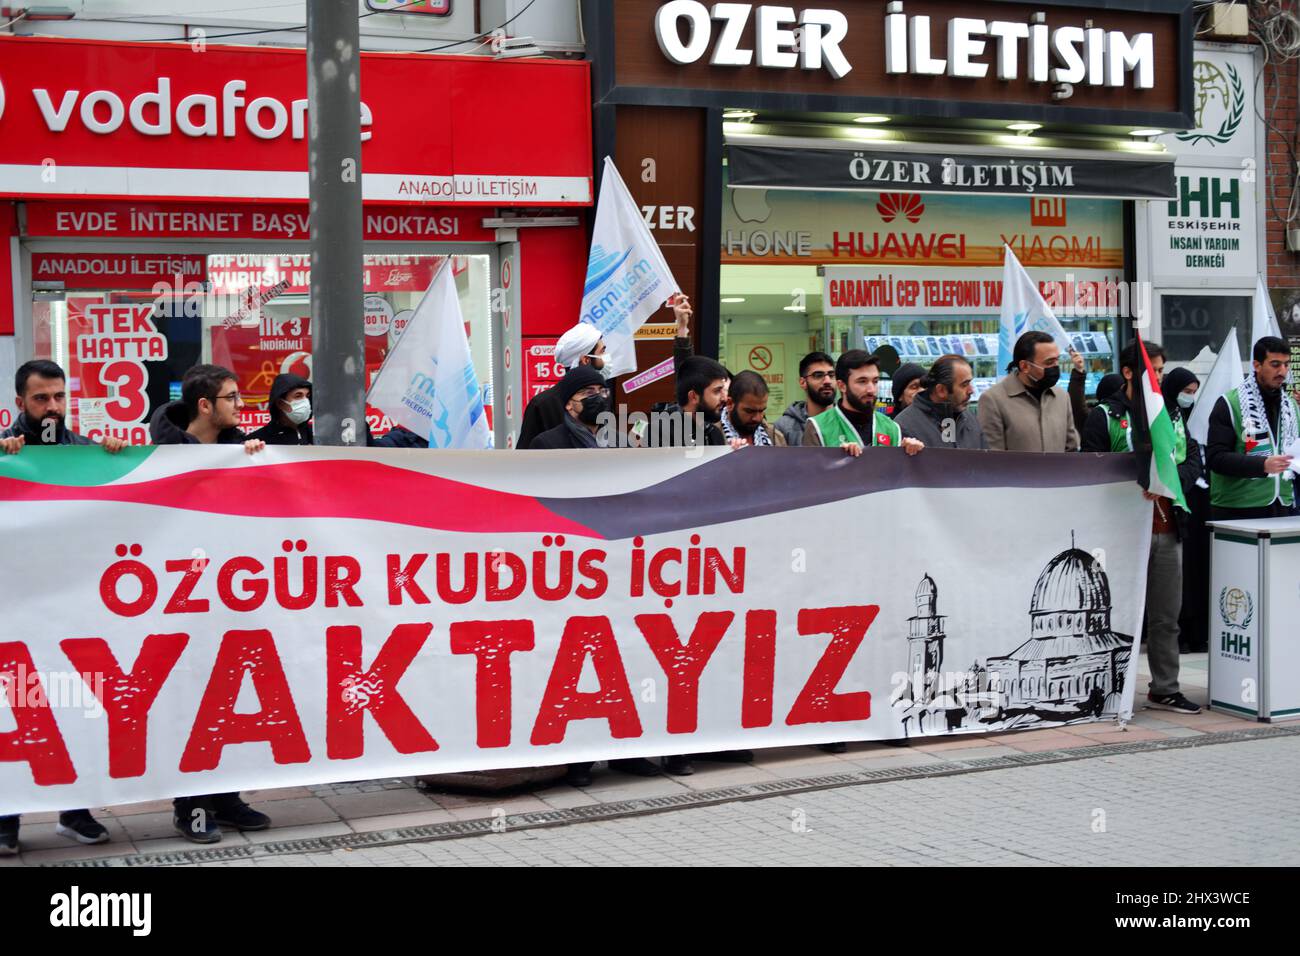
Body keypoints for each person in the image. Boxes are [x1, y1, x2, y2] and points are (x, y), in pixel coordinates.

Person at [0, 359, 125, 855]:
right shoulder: (7, 451)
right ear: (19, 404)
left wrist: (111, 458)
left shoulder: (84, 453)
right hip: (16, 608)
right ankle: (7, 818)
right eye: (40, 399)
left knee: (77, 707)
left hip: (74, 610)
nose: (51, 407)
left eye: (58, 396)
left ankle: (75, 812)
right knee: (15, 710)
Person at [149, 364, 270, 842]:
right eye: (232, 398)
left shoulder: (237, 449)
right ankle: (191, 807)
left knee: (230, 698)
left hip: (230, 599)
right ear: (205, 405)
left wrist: (258, 462)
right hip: (181, 596)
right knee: (190, 700)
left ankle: (225, 799)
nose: (241, 406)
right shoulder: (165, 453)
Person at [1081, 341, 1201, 715]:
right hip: (1119, 533)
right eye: (1154, 371)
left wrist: (1165, 479)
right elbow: (1092, 470)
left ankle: (1165, 687)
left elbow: (1193, 460)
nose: (1160, 379)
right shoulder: (1104, 415)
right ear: (1130, 373)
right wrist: (1140, 478)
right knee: (1111, 616)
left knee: (1166, 616)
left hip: (1167, 527)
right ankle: (1105, 691)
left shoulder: (1168, 413)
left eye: (1163, 372)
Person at [518, 295, 694, 449]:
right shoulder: (542, 406)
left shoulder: (602, 397)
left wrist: (682, 330)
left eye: (600, 392)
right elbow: (527, 464)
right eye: (602, 352)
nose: (606, 357)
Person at [1206, 336, 1297, 521]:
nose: (1282, 371)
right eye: (1275, 364)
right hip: (1238, 508)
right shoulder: (1230, 403)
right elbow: (1215, 458)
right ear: (1256, 365)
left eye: (1286, 365)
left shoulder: (1292, 406)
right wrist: (1262, 465)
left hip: (1283, 505)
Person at [1163, 367, 1209, 653]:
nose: (1189, 399)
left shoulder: (1185, 418)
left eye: (1193, 394)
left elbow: (1193, 456)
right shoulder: (1161, 417)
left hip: (1193, 502)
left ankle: (1195, 631)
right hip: (1170, 505)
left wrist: (1185, 476)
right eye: (1185, 392)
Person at [801, 350, 924, 457]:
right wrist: (837, 461)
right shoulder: (817, 427)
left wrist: (910, 456)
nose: (871, 389)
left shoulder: (891, 428)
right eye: (862, 381)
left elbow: (897, 478)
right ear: (842, 386)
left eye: (875, 381)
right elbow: (810, 477)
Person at [978, 331, 1080, 452]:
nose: (1055, 366)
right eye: (1049, 362)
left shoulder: (1061, 397)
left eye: (1057, 360)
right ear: (1025, 366)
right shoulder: (993, 400)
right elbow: (993, 456)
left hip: (1058, 470)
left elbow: (1071, 447)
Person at [895, 354, 987, 450]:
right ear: (941, 390)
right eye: (964, 384)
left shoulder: (970, 419)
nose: (971, 390)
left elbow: (985, 462)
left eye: (970, 383)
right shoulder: (906, 426)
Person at [528, 366, 614, 449]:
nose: (598, 397)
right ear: (568, 404)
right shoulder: (547, 444)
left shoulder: (620, 442)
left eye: (603, 391)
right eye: (589, 392)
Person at [774, 351, 835, 447]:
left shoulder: (845, 420)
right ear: (803, 382)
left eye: (831, 375)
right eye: (818, 375)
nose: (827, 381)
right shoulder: (784, 427)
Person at [712, 370, 786, 446]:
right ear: (730, 403)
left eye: (761, 411)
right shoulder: (709, 437)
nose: (757, 418)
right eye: (749, 411)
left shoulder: (775, 437)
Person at [247, 373, 313, 445]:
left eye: (307, 396)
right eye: (298, 396)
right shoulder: (257, 441)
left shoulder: (317, 435)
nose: (305, 401)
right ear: (280, 403)